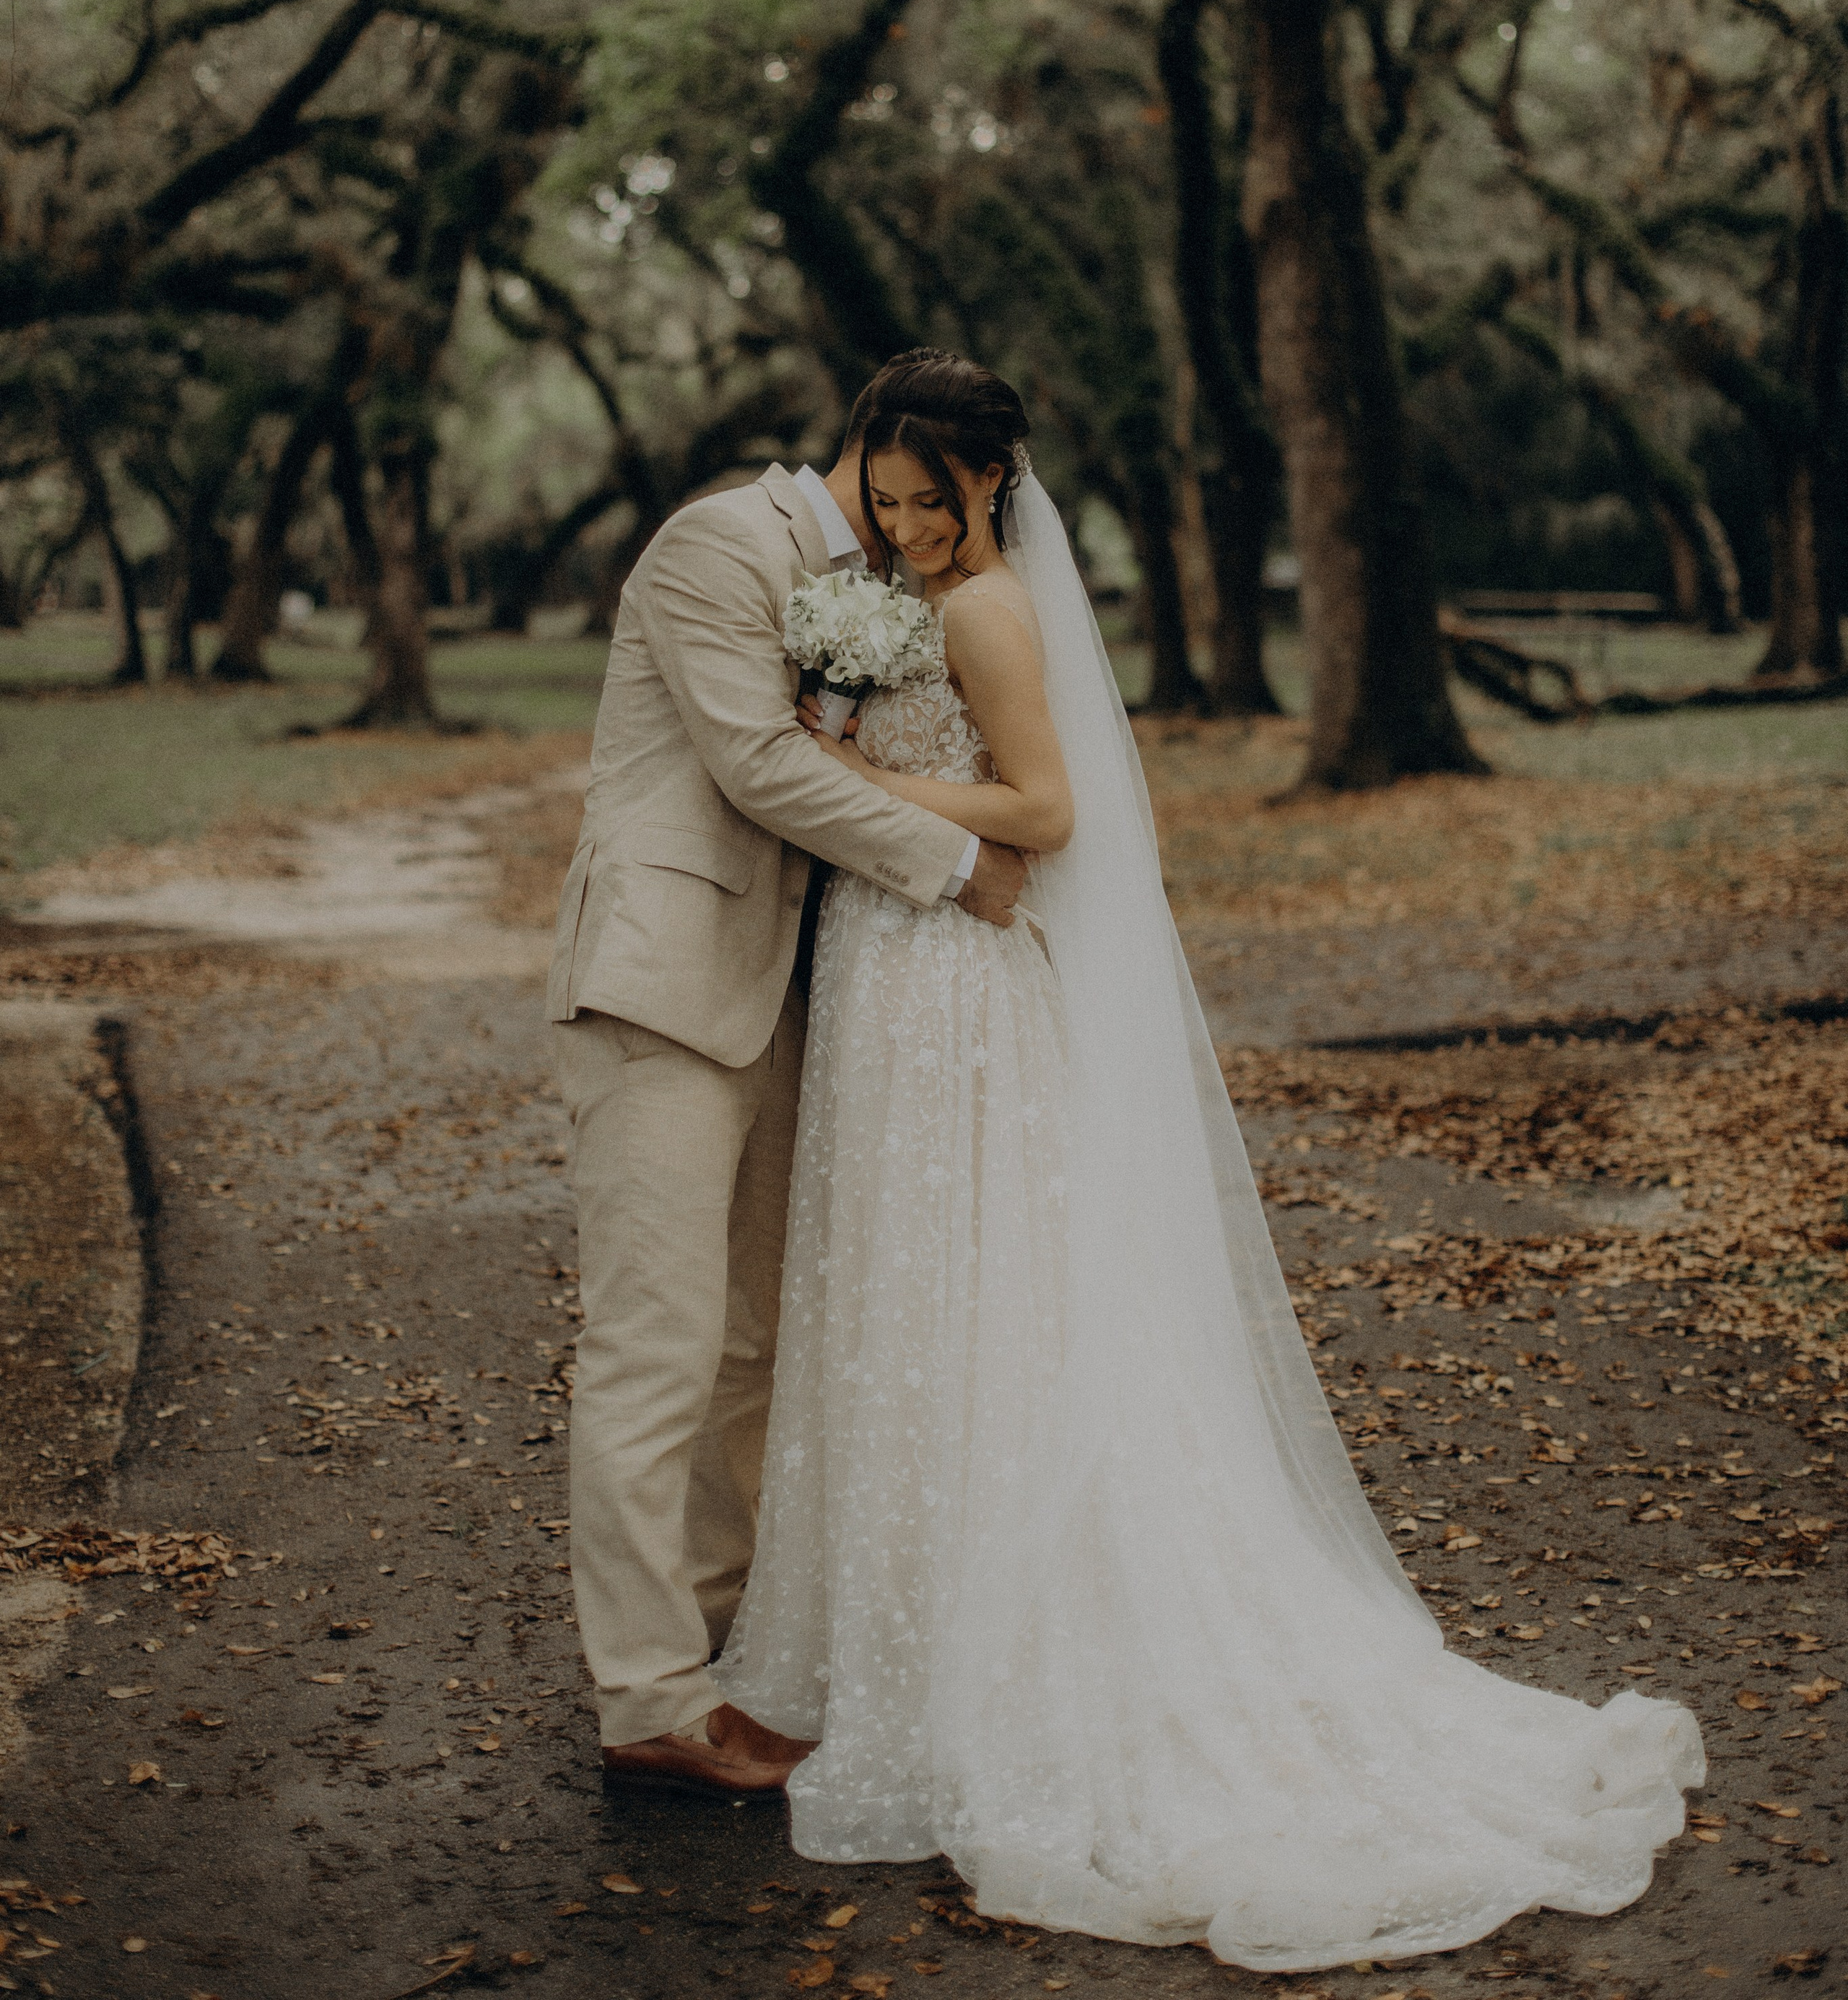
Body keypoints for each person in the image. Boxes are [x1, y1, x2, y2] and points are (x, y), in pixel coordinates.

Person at [707, 350, 1705, 1973]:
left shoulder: (980, 612)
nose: (901, 527)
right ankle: (917, 1635)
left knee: (971, 1306)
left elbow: (1046, 809)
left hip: (953, 985)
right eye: (880, 499)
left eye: (929, 501)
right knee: (924, 1301)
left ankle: (989, 1653)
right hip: (901, 976)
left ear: (991, 484)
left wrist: (848, 776)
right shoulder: (916, 596)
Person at [546, 407, 1027, 1796]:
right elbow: (757, 761)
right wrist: (950, 867)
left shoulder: (881, 584)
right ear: (869, 454)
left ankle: (724, 1640)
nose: (917, 521)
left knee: (755, 1340)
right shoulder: (718, 543)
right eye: (905, 492)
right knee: (655, 1342)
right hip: (663, 981)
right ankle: (646, 1695)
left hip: (787, 992)